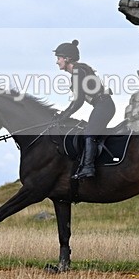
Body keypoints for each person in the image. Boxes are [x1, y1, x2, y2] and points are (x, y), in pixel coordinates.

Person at [53, 39, 115, 180]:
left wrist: (64, 116)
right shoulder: (78, 70)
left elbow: (79, 101)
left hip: (104, 106)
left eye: (58, 58)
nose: (57, 62)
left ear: (67, 59)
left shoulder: (77, 72)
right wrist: (64, 114)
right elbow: (77, 100)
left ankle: (88, 168)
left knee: (89, 133)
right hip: (103, 105)